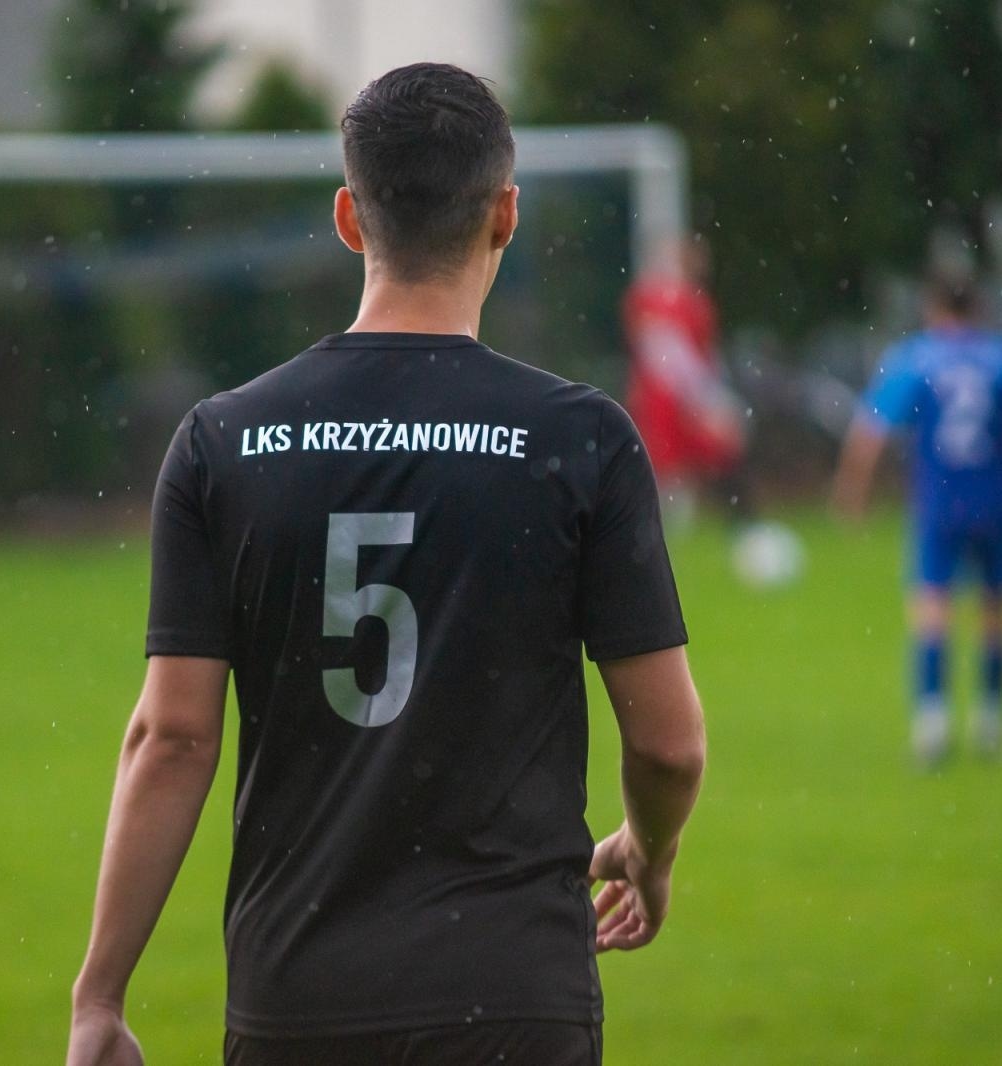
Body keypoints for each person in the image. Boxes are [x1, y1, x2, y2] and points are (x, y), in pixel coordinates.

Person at [67, 63, 707, 1066]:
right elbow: (669, 746)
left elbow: (172, 738)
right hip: (512, 996)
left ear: (347, 218)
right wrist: (647, 850)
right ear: (504, 215)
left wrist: (98, 996)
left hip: (301, 993)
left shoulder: (220, 442)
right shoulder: (580, 441)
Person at [830, 273, 1002, 766]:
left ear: (934, 309)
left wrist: (852, 495)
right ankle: (991, 722)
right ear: (977, 310)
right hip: (997, 502)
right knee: (996, 613)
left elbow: (870, 431)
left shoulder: (916, 358)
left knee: (932, 609)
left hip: (940, 505)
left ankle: (932, 723)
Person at [621, 234, 751, 527]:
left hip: (681, 396)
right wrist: (706, 399)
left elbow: (705, 354)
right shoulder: (654, 299)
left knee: (710, 457)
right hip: (668, 399)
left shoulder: (695, 301)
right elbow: (664, 355)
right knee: (666, 465)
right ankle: (654, 531)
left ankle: (736, 524)